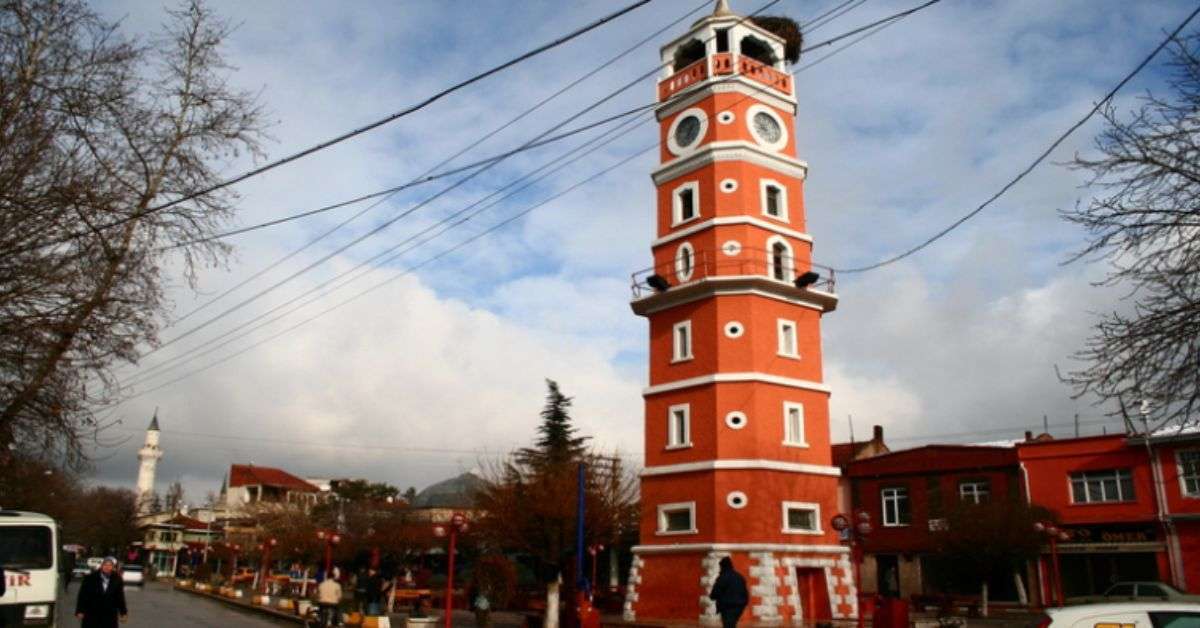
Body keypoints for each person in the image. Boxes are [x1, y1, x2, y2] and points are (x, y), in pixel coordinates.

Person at [75, 557, 127, 628]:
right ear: (101, 566)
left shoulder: (117, 579)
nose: (107, 567)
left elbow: (120, 597)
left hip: (109, 614)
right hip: (92, 613)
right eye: (105, 565)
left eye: (109, 565)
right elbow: (82, 595)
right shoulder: (90, 578)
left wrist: (123, 613)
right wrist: (80, 610)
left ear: (112, 567)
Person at [708, 557, 748, 628]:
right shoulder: (739, 577)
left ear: (722, 566)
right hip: (740, 606)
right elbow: (745, 592)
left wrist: (712, 596)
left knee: (728, 625)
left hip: (727, 606)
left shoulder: (723, 577)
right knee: (731, 624)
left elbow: (716, 592)